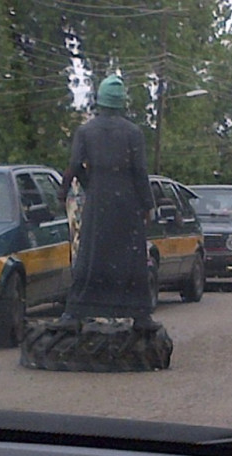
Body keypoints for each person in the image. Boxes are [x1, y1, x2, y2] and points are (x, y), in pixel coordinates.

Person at [55, 74, 158, 331]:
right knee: (131, 258)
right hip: (127, 204)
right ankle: (140, 314)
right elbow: (139, 172)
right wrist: (147, 204)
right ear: (121, 103)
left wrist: (80, 188)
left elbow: (74, 166)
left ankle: (75, 311)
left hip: (98, 202)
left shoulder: (86, 131)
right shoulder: (133, 133)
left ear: (100, 101)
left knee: (91, 255)